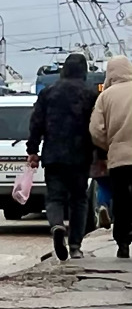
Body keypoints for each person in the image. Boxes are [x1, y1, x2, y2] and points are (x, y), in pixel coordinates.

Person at [27, 52, 101, 260]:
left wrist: (33, 150)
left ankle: (57, 225)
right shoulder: (89, 95)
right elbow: (96, 128)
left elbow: (36, 123)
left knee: (55, 197)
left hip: (53, 154)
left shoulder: (48, 93)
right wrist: (100, 154)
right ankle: (76, 246)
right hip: (80, 155)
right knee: (79, 199)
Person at [90, 55, 132, 259]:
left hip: (119, 157)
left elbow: (96, 130)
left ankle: (123, 242)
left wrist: (110, 145)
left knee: (122, 199)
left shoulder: (105, 97)